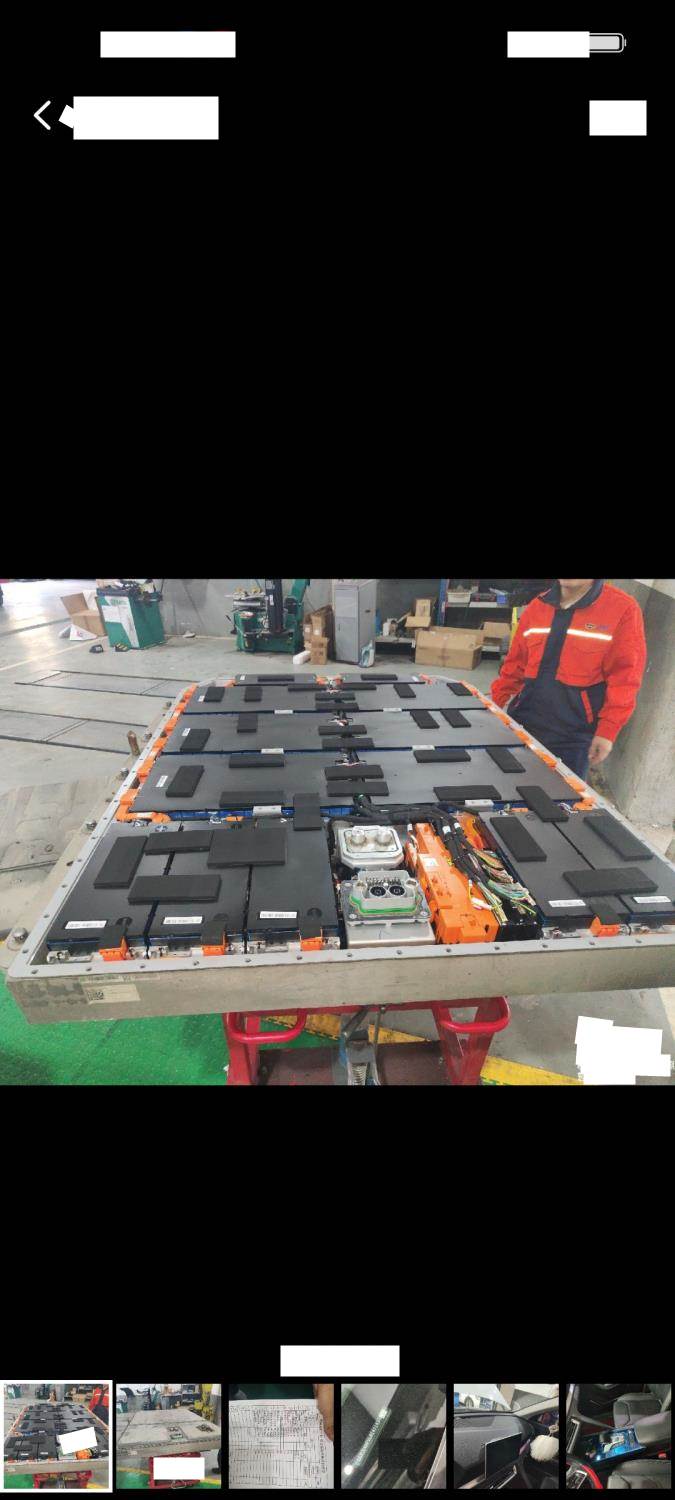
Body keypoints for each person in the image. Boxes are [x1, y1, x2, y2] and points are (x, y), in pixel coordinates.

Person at [491, 579, 647, 780]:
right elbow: (515, 665)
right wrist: (494, 705)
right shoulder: (537, 607)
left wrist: (608, 731)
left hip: (573, 737)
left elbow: (625, 678)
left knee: (562, 796)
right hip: (524, 724)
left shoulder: (622, 609)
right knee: (511, 787)